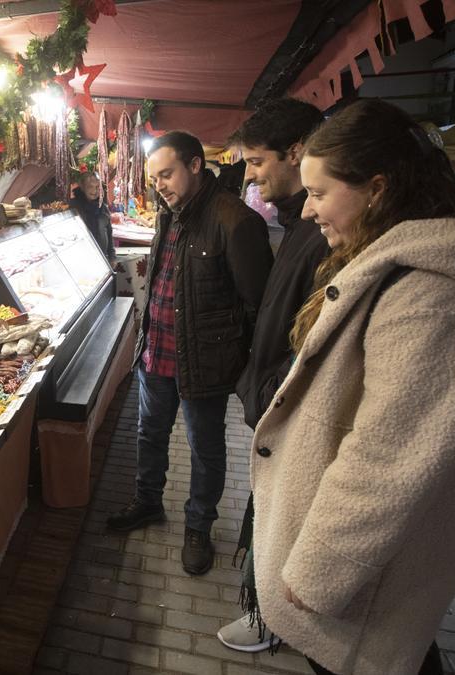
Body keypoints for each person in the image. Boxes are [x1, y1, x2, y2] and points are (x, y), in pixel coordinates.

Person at [250, 99, 455, 675]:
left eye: (320, 193)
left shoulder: (438, 294)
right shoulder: (396, 262)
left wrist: (322, 567)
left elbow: (390, 455)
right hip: (367, 563)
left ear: (377, 188)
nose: (307, 212)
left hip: (367, 567)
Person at [107, 131, 272, 577]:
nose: (159, 184)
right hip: (156, 353)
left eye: (167, 173)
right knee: (149, 434)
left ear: (196, 165)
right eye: (154, 177)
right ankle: (147, 503)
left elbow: (258, 303)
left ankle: (198, 526)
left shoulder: (235, 221)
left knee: (205, 448)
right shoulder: (168, 214)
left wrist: (245, 366)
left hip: (203, 361)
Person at [220, 98, 329, 652]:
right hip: (274, 404)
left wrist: (265, 387)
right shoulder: (300, 225)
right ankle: (268, 612)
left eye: (257, 161)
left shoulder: (323, 235)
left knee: (282, 520)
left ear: (297, 152)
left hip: (292, 413)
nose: (252, 175)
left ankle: (275, 620)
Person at [68, 172, 114, 258]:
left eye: (97, 187)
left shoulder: (103, 207)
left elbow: (109, 233)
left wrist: (112, 256)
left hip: (102, 258)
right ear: (83, 188)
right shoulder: (74, 207)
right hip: (82, 258)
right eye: (90, 187)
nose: (94, 191)